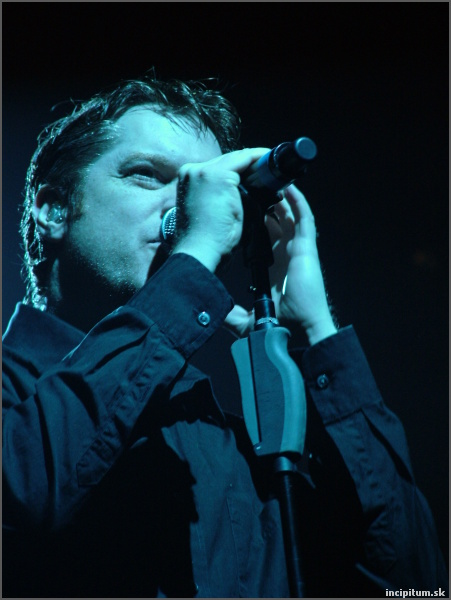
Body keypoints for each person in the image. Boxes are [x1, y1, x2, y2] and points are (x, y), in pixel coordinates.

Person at [2, 75, 448, 598]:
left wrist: (316, 332)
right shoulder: (14, 396)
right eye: (146, 175)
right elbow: (24, 488)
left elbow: (412, 583)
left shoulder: (227, 442)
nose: (184, 208)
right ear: (53, 210)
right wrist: (191, 261)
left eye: (200, 188)